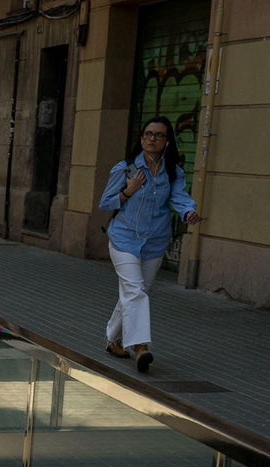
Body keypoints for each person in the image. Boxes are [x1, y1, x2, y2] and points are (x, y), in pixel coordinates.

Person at [97, 115, 199, 374]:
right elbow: (106, 203)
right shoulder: (126, 168)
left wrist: (188, 212)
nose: (152, 139)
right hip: (124, 239)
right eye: (148, 134)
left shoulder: (172, 170)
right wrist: (128, 191)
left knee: (135, 292)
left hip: (154, 241)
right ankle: (140, 346)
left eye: (159, 135)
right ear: (141, 138)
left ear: (167, 141)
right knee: (135, 291)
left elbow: (178, 196)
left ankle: (112, 338)